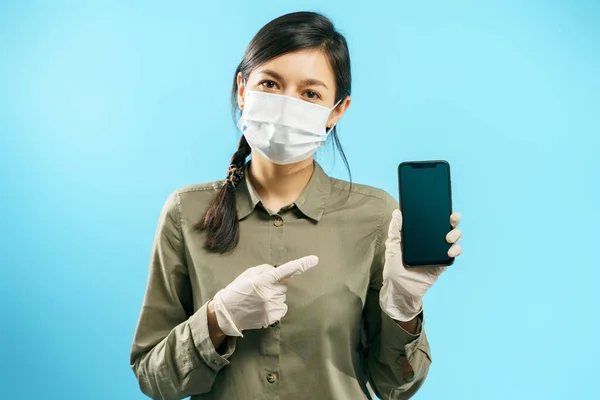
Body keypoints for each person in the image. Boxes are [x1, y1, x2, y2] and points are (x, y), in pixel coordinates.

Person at [130, 11, 463, 400]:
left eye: (310, 93)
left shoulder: (375, 217)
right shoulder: (186, 212)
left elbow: (395, 385)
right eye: (270, 83)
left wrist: (404, 307)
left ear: (336, 110)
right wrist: (218, 319)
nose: (287, 106)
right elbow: (154, 379)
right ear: (242, 90)